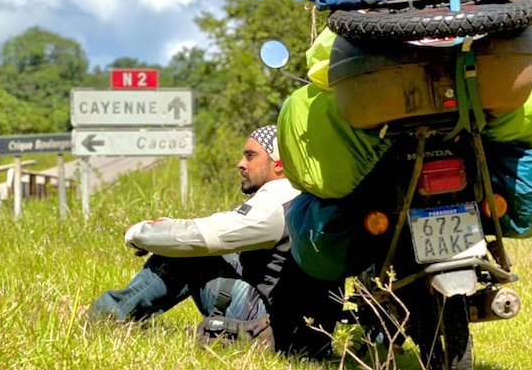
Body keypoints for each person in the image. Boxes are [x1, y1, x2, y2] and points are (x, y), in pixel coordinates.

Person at [90, 125, 345, 357]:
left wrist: (138, 233)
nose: (240, 164)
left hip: (275, 331)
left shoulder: (277, 202)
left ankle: (106, 316)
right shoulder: (310, 196)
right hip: (309, 334)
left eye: (250, 156)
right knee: (214, 251)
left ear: (279, 165)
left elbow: (201, 237)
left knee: (191, 254)